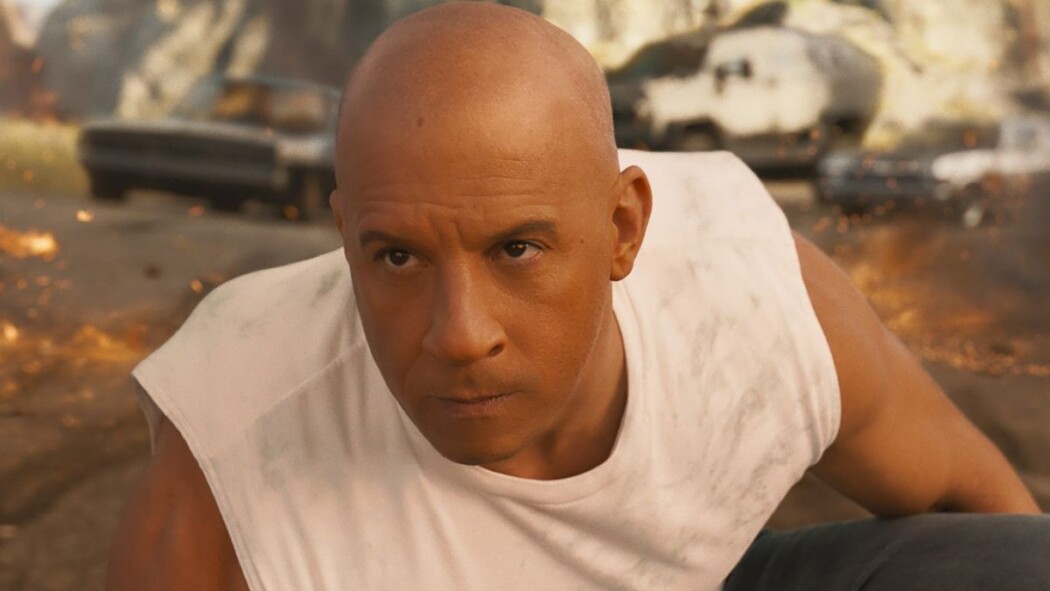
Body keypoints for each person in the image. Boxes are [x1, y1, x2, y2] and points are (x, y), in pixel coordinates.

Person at [106, 3, 1049, 590]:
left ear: (624, 228)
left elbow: (980, 514)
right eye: (395, 257)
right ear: (344, 234)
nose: (460, 335)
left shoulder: (746, 291)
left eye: (517, 248)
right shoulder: (234, 446)